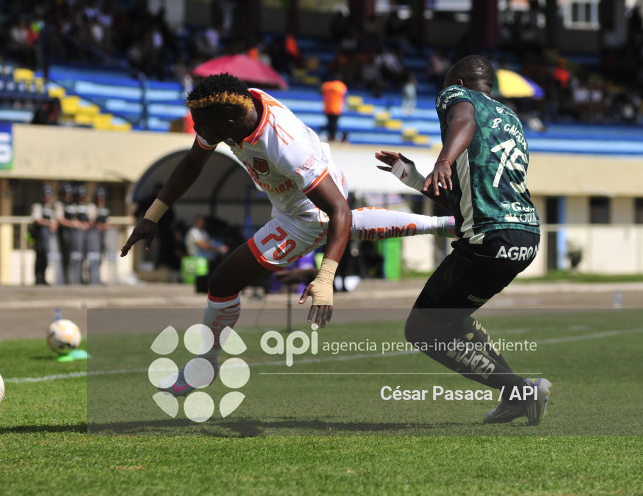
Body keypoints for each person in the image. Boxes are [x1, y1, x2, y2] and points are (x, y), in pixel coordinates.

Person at [121, 73, 454, 396]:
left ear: (229, 127)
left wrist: (325, 277)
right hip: (294, 198)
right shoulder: (232, 108)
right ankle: (447, 224)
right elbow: (193, 162)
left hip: (305, 213)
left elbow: (340, 211)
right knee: (233, 275)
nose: (197, 130)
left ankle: (203, 366)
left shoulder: (283, 144)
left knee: (223, 280)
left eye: (202, 126)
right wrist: (152, 216)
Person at [376, 55, 550, 426]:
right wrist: (413, 176)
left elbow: (463, 119)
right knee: (449, 317)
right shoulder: (512, 121)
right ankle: (516, 396)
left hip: (490, 239)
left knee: (420, 330)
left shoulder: (455, 95)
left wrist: (443, 158)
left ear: (456, 80)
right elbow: (464, 202)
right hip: (524, 236)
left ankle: (521, 390)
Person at [30, 185, 58, 285]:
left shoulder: (51, 207)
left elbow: (55, 221)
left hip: (49, 236)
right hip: (39, 236)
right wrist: (49, 223)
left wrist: (53, 226)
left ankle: (44, 277)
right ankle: (38, 278)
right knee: (39, 257)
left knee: (47, 257)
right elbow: (37, 220)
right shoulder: (38, 206)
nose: (47, 197)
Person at [86, 187, 110, 285]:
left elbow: (106, 222)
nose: (101, 200)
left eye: (102, 198)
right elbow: (90, 221)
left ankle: (97, 278)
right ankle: (90, 278)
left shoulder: (104, 208)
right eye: (99, 198)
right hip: (92, 236)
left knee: (100, 257)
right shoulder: (92, 207)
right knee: (92, 258)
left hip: (101, 236)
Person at [321, 77, 347, 142]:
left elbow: (321, 92)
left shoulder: (326, 85)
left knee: (329, 123)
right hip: (336, 108)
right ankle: (333, 137)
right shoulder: (341, 86)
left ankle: (330, 136)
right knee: (334, 124)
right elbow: (345, 94)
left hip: (327, 108)